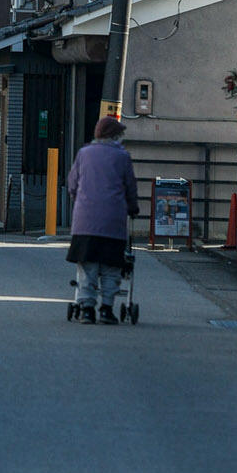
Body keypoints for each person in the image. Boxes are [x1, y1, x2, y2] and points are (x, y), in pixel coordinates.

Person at [66, 115, 139, 323]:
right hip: (113, 223)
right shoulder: (123, 157)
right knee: (111, 267)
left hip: (85, 222)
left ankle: (87, 308)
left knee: (87, 267)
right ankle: (107, 309)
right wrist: (132, 207)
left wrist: (80, 200)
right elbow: (130, 188)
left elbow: (72, 185)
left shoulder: (83, 154)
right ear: (114, 136)